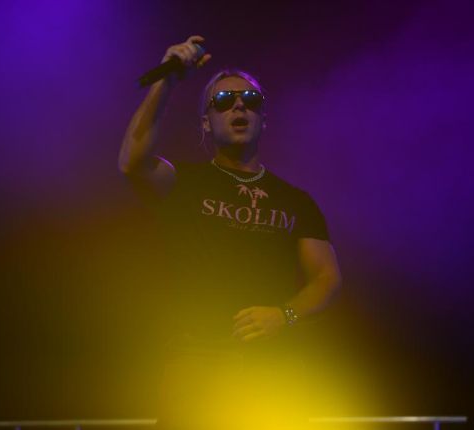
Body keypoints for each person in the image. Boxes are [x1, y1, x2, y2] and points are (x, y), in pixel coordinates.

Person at [119, 35, 341, 430]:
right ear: (206, 121)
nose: (238, 106)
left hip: (274, 373)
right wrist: (167, 80)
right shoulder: (184, 182)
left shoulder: (296, 200)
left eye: (250, 100)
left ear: (263, 119)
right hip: (196, 369)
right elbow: (132, 162)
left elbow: (326, 278)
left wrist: (285, 315)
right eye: (223, 100)